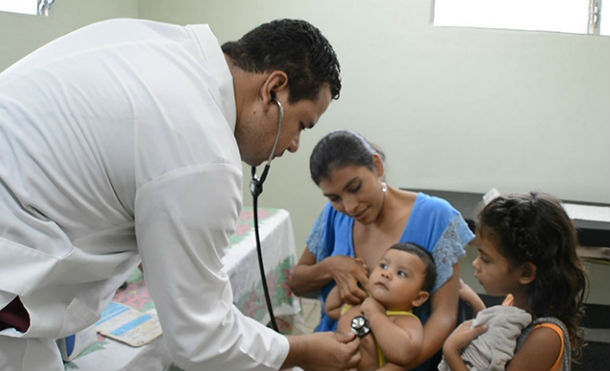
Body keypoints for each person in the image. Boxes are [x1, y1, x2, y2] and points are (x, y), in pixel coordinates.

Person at [0, 18, 361, 371]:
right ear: (273, 89)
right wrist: (299, 351)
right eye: (302, 124)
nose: (296, 145)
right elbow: (200, 340)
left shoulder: (157, 43)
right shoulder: (203, 154)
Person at [289, 129, 475, 370]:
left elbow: (444, 316)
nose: (350, 206)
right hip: (334, 357)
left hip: (402, 359)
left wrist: (396, 367)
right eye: (334, 197)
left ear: (377, 166)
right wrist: (331, 267)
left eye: (355, 187)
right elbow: (297, 282)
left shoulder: (437, 218)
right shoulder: (334, 217)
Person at [442, 192, 587, 371]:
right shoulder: (517, 301)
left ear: (525, 272)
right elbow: (500, 332)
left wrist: (451, 351)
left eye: (485, 259)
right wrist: (474, 302)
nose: (475, 264)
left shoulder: (545, 337)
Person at [328, 242, 437, 370]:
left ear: (418, 298)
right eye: (383, 266)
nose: (386, 274)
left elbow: (404, 354)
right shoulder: (359, 303)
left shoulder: (406, 321)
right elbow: (331, 309)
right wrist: (349, 280)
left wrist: (375, 314)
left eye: (401, 273)